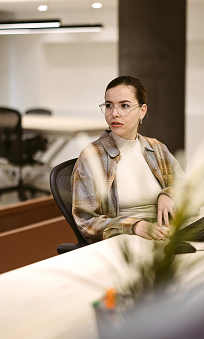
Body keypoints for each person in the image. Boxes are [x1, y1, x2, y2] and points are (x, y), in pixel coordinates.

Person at [71, 76, 187, 244]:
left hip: (166, 234)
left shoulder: (157, 149)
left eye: (124, 105)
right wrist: (135, 226)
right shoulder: (92, 156)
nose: (114, 113)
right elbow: (88, 222)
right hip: (125, 244)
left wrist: (169, 194)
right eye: (109, 105)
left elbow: (188, 189)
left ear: (142, 110)